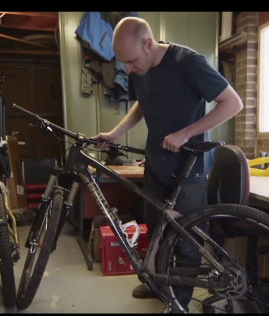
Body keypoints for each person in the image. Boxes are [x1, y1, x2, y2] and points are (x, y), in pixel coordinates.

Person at [91, 17, 244, 309]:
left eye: (132, 61)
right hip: (156, 164)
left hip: (189, 168)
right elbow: (141, 103)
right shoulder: (139, 67)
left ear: (149, 43)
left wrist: (186, 133)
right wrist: (114, 133)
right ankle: (160, 284)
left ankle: (179, 303)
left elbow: (233, 103)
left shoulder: (187, 62)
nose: (127, 70)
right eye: (123, 63)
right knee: (157, 230)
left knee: (186, 243)